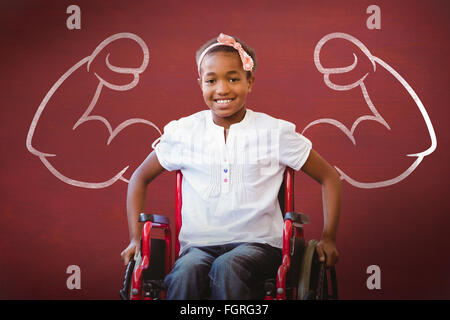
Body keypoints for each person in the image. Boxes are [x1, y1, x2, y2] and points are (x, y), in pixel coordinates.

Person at [120, 33, 341, 299]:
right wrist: (135, 238)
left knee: (228, 267)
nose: (222, 89)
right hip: (198, 247)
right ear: (200, 84)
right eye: (212, 81)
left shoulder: (274, 131)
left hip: (259, 245)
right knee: (184, 273)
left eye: (233, 79)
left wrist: (328, 237)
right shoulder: (184, 132)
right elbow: (139, 178)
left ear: (250, 82)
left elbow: (329, 177)